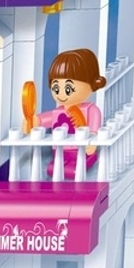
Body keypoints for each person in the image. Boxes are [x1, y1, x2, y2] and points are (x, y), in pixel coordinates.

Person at [37, 48, 106, 177]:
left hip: (80, 151)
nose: (61, 94)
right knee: (53, 169)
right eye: (56, 88)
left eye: (68, 88)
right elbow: (46, 119)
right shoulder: (58, 111)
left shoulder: (91, 110)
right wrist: (35, 120)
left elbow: (94, 130)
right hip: (59, 152)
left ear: (91, 84)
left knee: (73, 170)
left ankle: (75, 164)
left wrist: (92, 143)